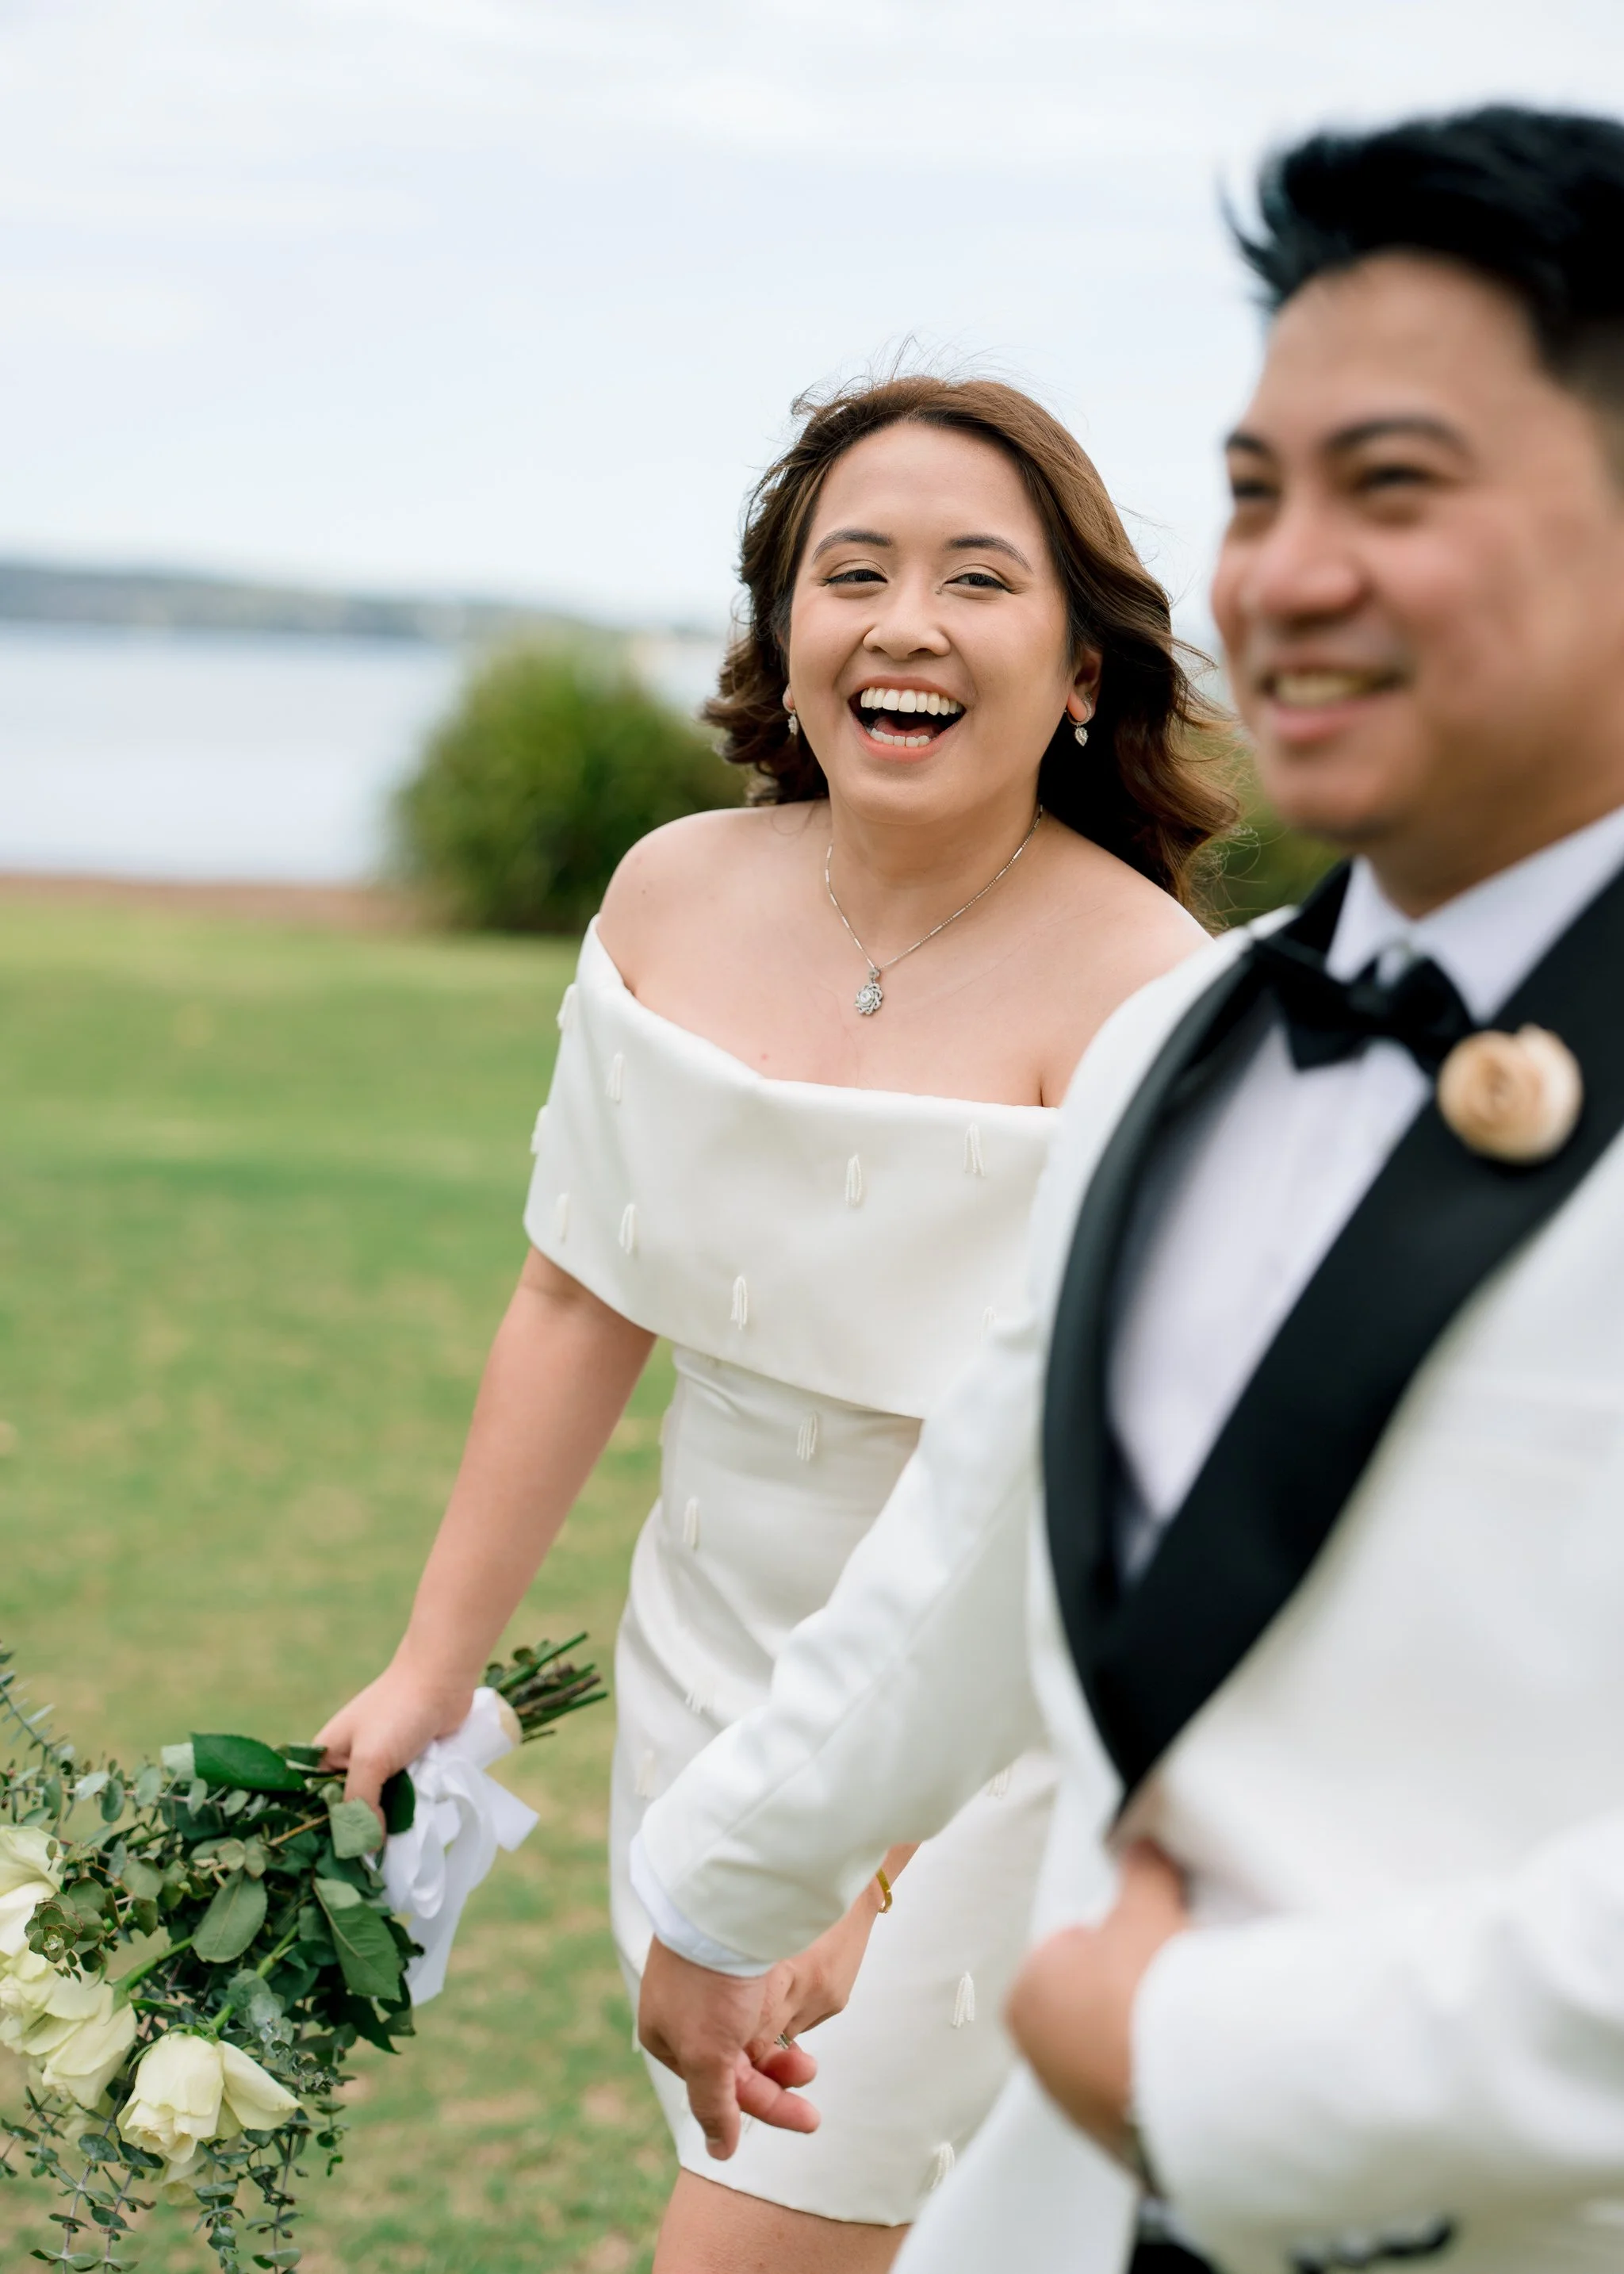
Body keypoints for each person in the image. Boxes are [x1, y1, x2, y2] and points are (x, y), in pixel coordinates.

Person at [633, 105, 1624, 2274]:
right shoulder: (1204, 1029)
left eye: (1397, 487)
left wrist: (1214, 2064)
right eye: (1261, 493)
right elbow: (988, 1526)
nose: (1287, 571)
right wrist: (732, 1882)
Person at [316, 372, 1227, 2272]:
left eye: (979, 579)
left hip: (993, 1735)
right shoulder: (671, 892)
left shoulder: (1147, 988)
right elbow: (578, 1291)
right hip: (705, 1656)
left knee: (760, 2229)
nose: (905, 621)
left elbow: (1088, 1496)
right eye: (853, 571)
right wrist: (430, 1667)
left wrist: (850, 1849)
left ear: (1079, 671)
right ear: (786, 633)